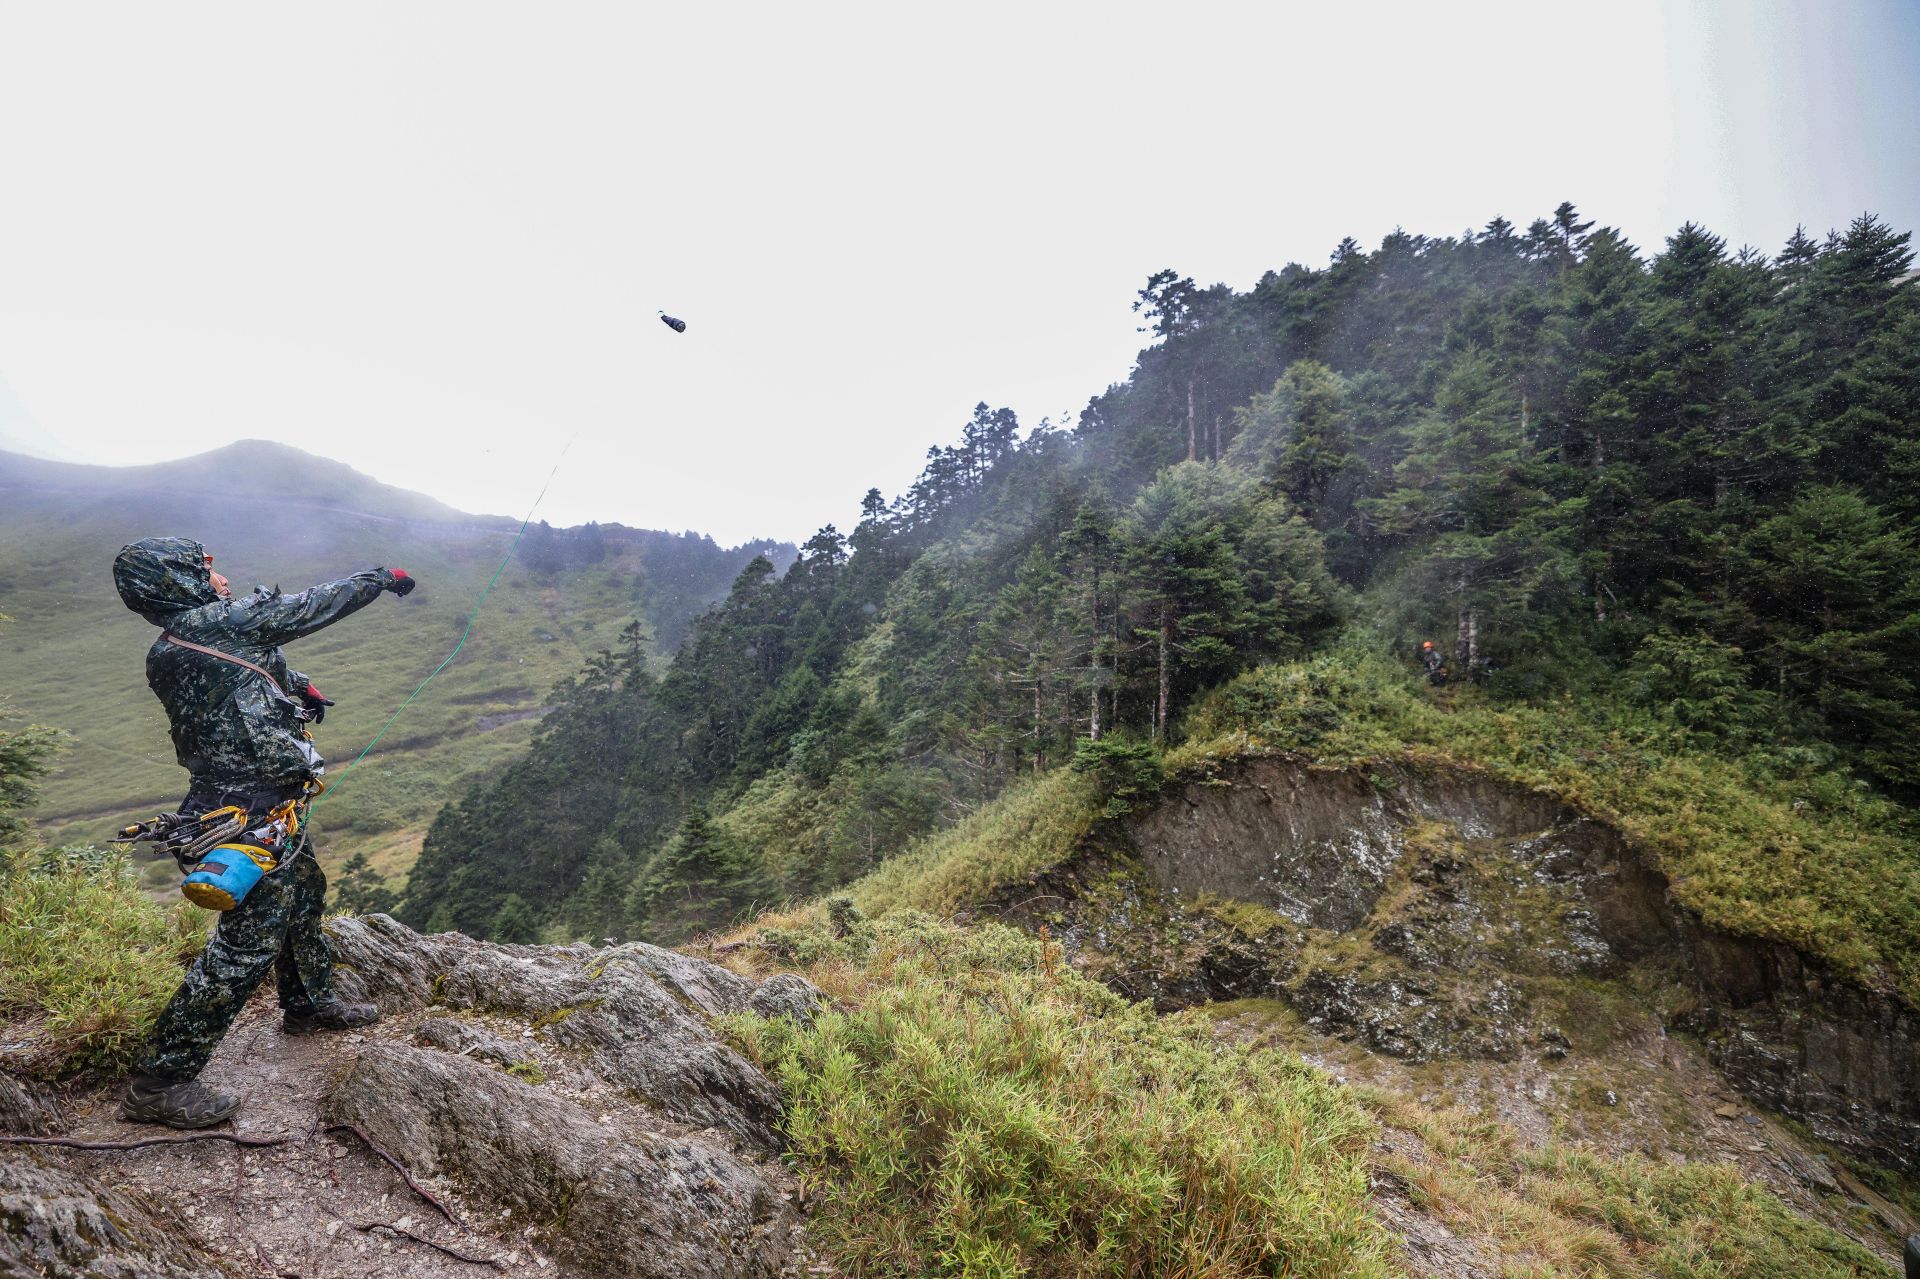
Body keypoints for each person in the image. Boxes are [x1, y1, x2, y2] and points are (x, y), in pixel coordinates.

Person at [110, 537, 417, 1129]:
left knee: (304, 894)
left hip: (263, 803)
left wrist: (297, 686)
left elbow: (245, 669)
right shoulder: (211, 623)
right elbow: (301, 610)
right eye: (205, 569)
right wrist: (380, 578)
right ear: (175, 581)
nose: (220, 577)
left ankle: (308, 1003)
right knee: (245, 945)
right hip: (247, 812)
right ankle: (160, 1081)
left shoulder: (177, 643)